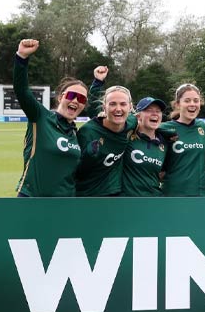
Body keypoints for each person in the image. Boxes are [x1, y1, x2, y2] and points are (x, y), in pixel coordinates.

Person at [12, 39, 89, 197]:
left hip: (64, 206)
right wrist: (21, 58)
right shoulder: (40, 117)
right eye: (72, 95)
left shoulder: (76, 133)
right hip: (31, 199)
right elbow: (22, 90)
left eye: (81, 99)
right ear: (61, 97)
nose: (76, 101)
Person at [75, 66, 136, 196]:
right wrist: (88, 159)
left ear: (130, 107)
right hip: (88, 196)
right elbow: (75, 172)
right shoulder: (87, 132)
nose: (118, 108)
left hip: (115, 195)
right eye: (112, 104)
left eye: (123, 104)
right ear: (104, 107)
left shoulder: (131, 122)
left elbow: (145, 121)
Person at [160, 83, 205, 196]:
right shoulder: (164, 128)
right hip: (175, 193)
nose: (192, 104)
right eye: (187, 100)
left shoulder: (201, 127)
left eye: (196, 100)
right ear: (178, 104)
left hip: (202, 193)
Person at [121, 97, 169, 196]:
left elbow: (162, 173)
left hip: (154, 201)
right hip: (128, 201)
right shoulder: (127, 137)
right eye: (148, 110)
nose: (155, 114)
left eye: (158, 111)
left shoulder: (164, 143)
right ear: (138, 116)